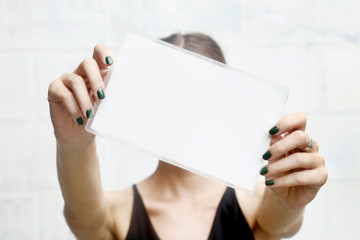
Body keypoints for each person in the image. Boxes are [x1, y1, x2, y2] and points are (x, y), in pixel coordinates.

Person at [48, 33, 328, 240]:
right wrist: (73, 141)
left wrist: (291, 203)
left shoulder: (253, 204)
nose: (185, 112)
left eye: (201, 97)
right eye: (170, 94)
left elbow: (281, 221)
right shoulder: (117, 211)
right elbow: (83, 217)